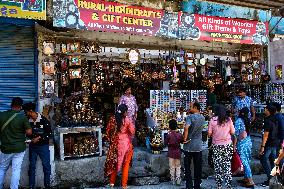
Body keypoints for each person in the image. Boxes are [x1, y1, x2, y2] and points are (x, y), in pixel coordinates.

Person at [0, 97, 32, 189]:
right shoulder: (22, 117)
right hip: (19, 148)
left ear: (11, 105)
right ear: (21, 107)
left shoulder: (2, 115)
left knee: (2, 168)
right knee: (16, 170)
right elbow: (29, 132)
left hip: (5, 148)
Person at [104, 104, 135, 188]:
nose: (127, 112)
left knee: (114, 163)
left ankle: (111, 183)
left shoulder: (112, 119)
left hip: (115, 144)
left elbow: (108, 132)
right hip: (126, 144)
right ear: (124, 112)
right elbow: (132, 132)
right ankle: (124, 185)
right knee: (126, 165)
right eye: (126, 111)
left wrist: (111, 140)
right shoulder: (127, 120)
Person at [23, 102, 52, 189]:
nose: (25, 113)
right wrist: (27, 138)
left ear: (31, 111)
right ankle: (31, 186)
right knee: (31, 167)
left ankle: (47, 185)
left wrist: (38, 138)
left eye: (26, 111)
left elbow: (49, 134)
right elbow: (27, 133)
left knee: (46, 166)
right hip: (33, 147)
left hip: (43, 147)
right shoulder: (27, 120)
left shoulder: (44, 120)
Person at [208, 104, 235, 189]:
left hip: (216, 146)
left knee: (218, 166)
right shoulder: (229, 120)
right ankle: (228, 185)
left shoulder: (212, 120)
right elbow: (233, 132)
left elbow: (209, 134)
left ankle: (219, 186)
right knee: (227, 165)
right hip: (227, 145)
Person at [183, 102, 206, 189]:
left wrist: (184, 139)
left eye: (190, 107)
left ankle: (189, 185)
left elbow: (186, 128)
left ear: (195, 107)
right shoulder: (203, 118)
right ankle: (197, 185)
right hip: (198, 145)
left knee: (187, 167)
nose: (189, 108)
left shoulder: (190, 117)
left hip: (189, 145)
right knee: (198, 167)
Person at [233, 107, 255, 187]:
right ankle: (246, 177)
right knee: (247, 160)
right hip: (248, 142)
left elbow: (235, 134)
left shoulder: (238, 121)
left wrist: (234, 144)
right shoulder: (247, 120)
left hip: (241, 143)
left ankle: (250, 180)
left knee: (244, 161)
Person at [260, 104, 279, 187]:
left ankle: (270, 179)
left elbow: (265, 135)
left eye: (265, 109)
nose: (264, 110)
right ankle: (274, 179)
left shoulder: (268, 121)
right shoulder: (276, 119)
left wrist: (262, 147)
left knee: (263, 159)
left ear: (268, 111)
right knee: (272, 161)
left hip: (269, 144)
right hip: (275, 143)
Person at [165, 119, 183, 185]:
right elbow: (182, 141)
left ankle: (172, 179)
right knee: (178, 166)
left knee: (172, 166)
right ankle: (178, 179)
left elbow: (165, 143)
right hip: (178, 152)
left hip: (171, 152)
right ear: (176, 126)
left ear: (169, 126)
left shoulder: (168, 135)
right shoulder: (179, 134)